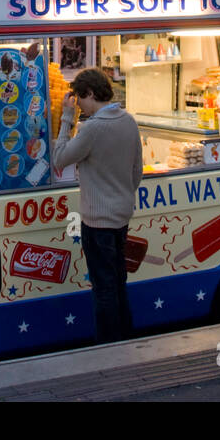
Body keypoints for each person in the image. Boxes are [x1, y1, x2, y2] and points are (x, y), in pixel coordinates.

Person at [52, 68, 143, 343]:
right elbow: (136, 172)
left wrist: (67, 117)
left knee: (102, 287)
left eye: (80, 101)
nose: (78, 106)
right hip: (122, 215)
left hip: (97, 220)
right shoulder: (129, 121)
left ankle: (108, 347)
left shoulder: (92, 129)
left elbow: (59, 159)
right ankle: (125, 338)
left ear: (90, 93)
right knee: (118, 282)